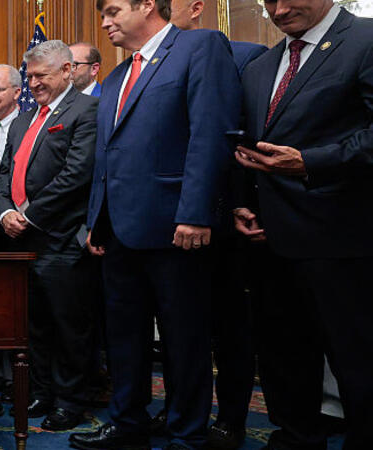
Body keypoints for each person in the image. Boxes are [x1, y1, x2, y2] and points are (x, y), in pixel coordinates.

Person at [70, 1, 241, 449]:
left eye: (112, 10)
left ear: (148, 5)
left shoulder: (200, 47)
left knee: (184, 340)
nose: (104, 22)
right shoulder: (113, 77)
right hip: (118, 232)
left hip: (176, 228)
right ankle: (127, 425)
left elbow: (211, 134)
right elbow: (106, 158)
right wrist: (96, 220)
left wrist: (196, 212)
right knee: (124, 338)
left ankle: (187, 433)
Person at [233, 1, 373, 448]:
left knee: (358, 359)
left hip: (343, 238)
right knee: (284, 354)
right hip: (270, 240)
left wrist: (311, 163)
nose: (280, 8)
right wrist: (243, 203)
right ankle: (296, 434)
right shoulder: (262, 65)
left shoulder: (366, 40)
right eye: (269, 0)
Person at [146, 1, 267, 447]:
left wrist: (237, 203)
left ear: (196, 8)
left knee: (230, 325)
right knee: (180, 328)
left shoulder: (244, 56)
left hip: (227, 221)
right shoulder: (148, 66)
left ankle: (232, 417)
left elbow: (234, 141)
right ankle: (179, 409)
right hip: (170, 225)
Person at [0, 40, 99, 432]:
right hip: (22, 242)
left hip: (60, 240)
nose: (34, 82)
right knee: (33, 323)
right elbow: (4, 172)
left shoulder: (87, 111)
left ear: (68, 72)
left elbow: (77, 175)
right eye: (30, 76)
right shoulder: (23, 119)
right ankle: (41, 390)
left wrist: (29, 215)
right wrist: (5, 210)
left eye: (43, 75)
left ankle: (70, 400)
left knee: (69, 326)